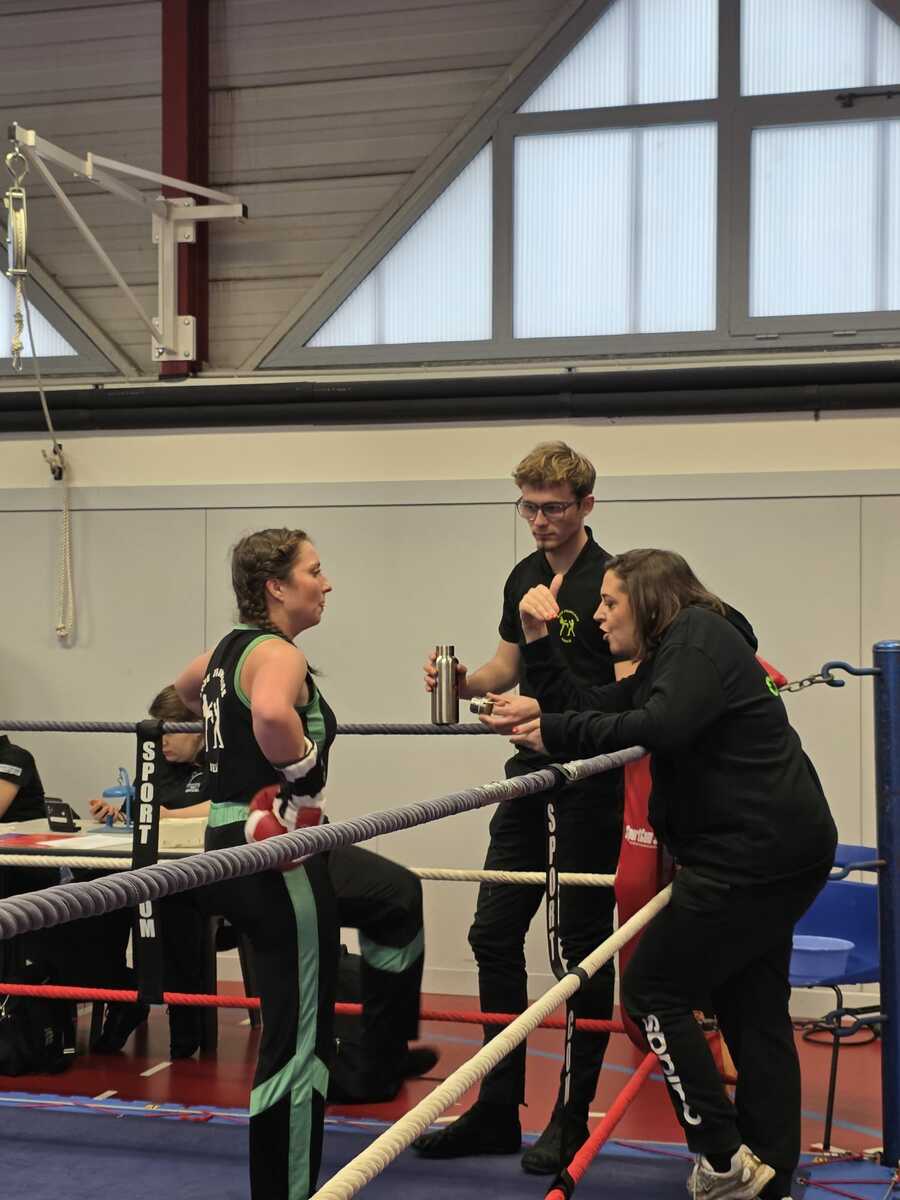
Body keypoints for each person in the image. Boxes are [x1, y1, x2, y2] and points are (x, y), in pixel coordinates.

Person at [510, 549, 837, 1200]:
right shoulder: (672, 656)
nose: (598, 616)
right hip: (774, 847)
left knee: (653, 988)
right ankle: (766, 1176)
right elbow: (588, 704)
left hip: (751, 853)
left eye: (610, 602)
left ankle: (721, 1158)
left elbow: (661, 726)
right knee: (752, 1008)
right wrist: (539, 644)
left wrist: (554, 730)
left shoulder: (697, 638)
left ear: (649, 600)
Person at [414, 441, 623, 1173]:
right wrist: (465, 682)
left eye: (553, 508)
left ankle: (571, 1115)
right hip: (529, 778)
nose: (539, 521)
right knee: (494, 933)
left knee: (579, 952)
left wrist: (552, 710)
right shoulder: (523, 575)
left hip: (590, 782)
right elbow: (507, 666)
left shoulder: (613, 584)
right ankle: (497, 1108)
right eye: (528, 507)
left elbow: (628, 693)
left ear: (586, 505)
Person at [174, 527, 340, 1200]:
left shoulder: (227, 651)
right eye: (313, 571)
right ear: (276, 586)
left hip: (223, 841)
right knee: (299, 1037)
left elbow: (186, 690)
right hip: (275, 854)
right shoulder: (277, 653)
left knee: (285, 1024)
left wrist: (237, 745)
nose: (325, 584)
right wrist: (302, 776)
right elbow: (271, 712)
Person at [86, 685, 208, 1057]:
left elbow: (229, 805)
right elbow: (142, 811)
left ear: (198, 728)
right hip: (149, 868)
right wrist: (117, 814)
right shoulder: (156, 762)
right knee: (93, 895)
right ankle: (124, 995)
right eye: (159, 730)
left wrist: (166, 815)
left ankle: (185, 1024)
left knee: (171, 900)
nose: (162, 740)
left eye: (170, 730)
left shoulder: (224, 761)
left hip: (200, 875)